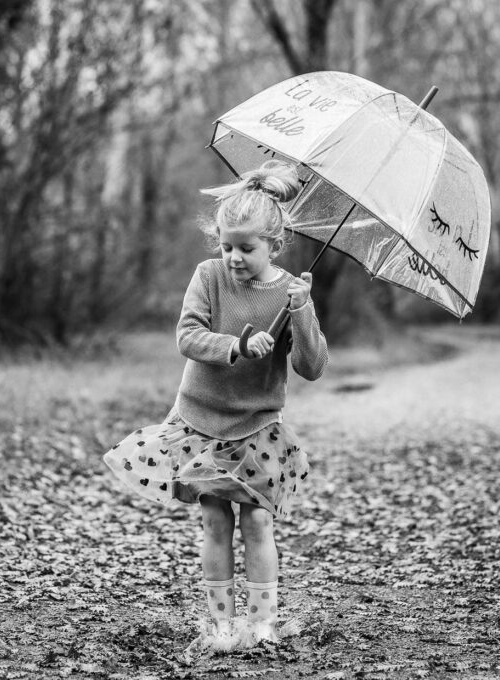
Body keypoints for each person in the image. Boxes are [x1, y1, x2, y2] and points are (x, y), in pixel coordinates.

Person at [103, 160, 328, 651]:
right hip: (201, 422)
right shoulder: (208, 277)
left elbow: (312, 366)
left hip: (256, 427)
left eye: (246, 248)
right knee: (215, 518)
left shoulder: (291, 293)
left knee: (258, 519)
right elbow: (187, 336)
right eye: (226, 246)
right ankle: (221, 625)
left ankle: (263, 623)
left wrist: (303, 311)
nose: (234, 257)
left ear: (274, 243)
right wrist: (236, 347)